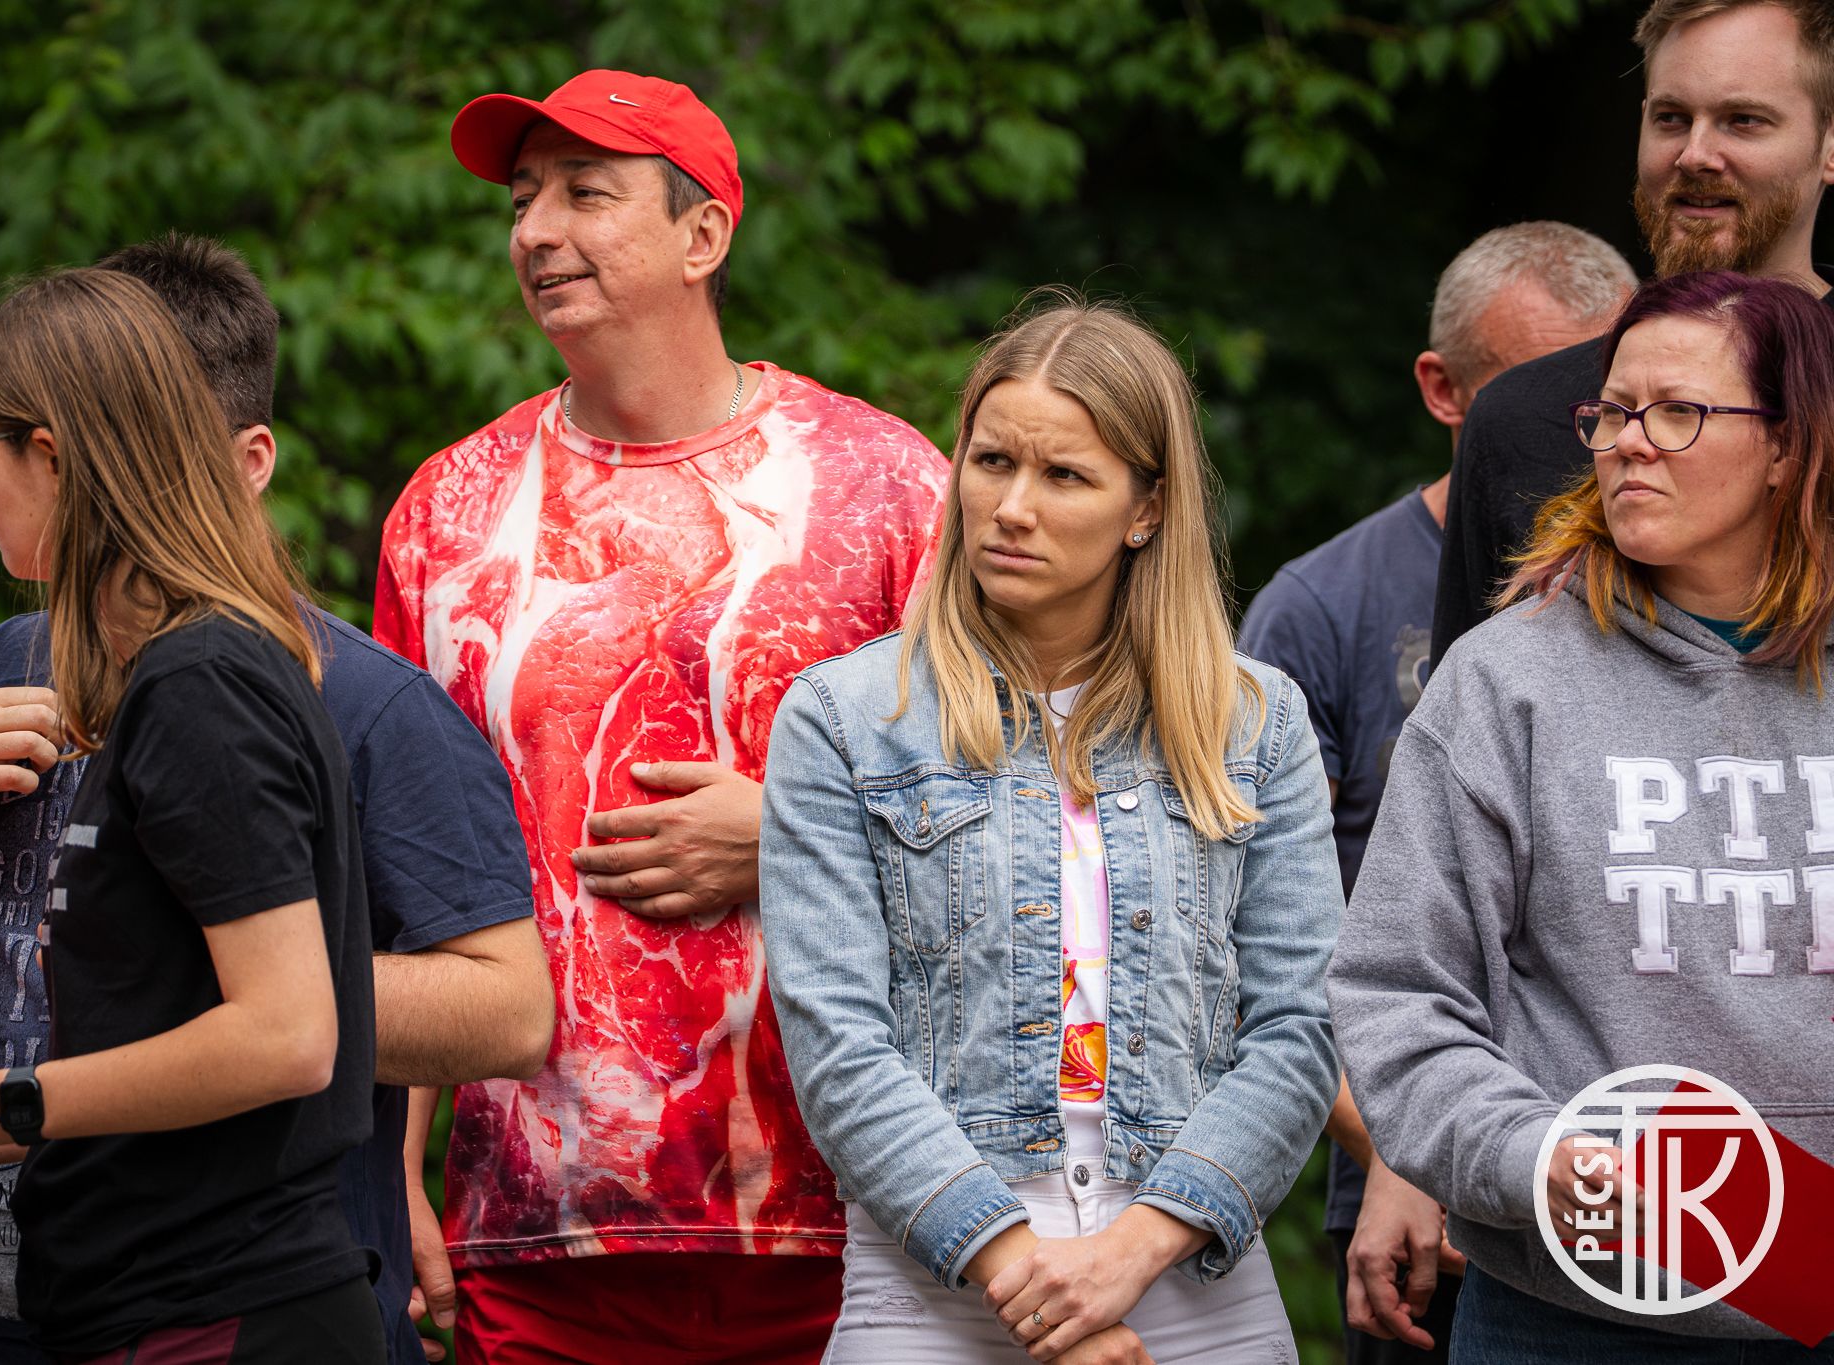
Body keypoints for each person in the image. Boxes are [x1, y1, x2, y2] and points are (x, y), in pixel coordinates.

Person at [0, 236, 551, 1365]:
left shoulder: (232, 684)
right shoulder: (21, 670)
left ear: (62, 452)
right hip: (31, 1298)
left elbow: (327, 1026)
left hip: (208, 1302)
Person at [374, 68, 948, 1364]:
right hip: (536, 1222)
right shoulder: (446, 514)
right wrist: (390, 1168)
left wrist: (797, 832)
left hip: (858, 1212)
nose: (536, 231)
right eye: (522, 201)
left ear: (704, 236)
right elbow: (400, 877)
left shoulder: (886, 485)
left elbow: (1019, 812)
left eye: (585, 194)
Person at [759, 296, 1341, 1364]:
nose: (1011, 507)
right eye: (991, 462)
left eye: (1063, 475)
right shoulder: (848, 718)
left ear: (1145, 509)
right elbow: (837, 1046)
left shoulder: (1254, 722)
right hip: (937, 1278)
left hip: (1192, 1274)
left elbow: (1299, 1029)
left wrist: (1132, 1249)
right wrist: (1026, 1277)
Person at [1329, 271, 1834, 1361]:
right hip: (1567, 1320)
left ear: (1788, 445)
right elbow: (1398, 996)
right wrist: (1536, 1155)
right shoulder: (1500, 684)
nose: (1627, 443)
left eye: (1678, 411)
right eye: (1612, 411)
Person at [1237, 222, 1634, 1361]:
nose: (1594, 430)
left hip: (1636, 1167)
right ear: (1443, 390)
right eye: (1546, 392)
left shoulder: (1695, 594)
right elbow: (1251, 927)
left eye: (1614, 392)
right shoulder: (1321, 606)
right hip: (1404, 1172)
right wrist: (1398, 1152)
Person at [1430, 0, 1834, 665]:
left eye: (1744, 121)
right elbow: (1474, 706)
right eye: (1670, 118)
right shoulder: (1521, 418)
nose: (1695, 155)